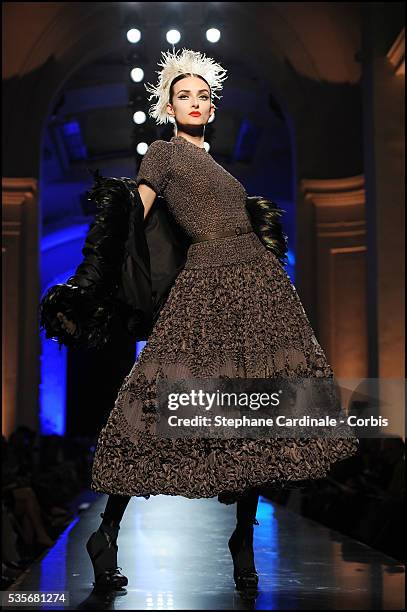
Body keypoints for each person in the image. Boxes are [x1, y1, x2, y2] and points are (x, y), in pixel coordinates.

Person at [54, 49, 359, 592]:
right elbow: (129, 219)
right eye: (183, 95)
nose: (194, 102)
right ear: (168, 108)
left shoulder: (220, 167)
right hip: (207, 284)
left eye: (202, 95)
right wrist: (91, 281)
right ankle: (106, 531)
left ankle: (242, 538)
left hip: (260, 286)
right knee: (155, 400)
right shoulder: (163, 158)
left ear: (211, 107)